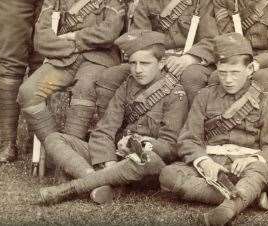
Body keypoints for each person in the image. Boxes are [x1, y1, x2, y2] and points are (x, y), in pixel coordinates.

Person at [37, 30, 188, 206]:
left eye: (145, 63)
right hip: (118, 159)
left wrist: (138, 144)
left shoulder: (175, 94)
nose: (137, 70)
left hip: (147, 166)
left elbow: (170, 147)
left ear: (161, 63)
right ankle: (102, 182)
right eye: (133, 63)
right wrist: (108, 162)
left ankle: (71, 189)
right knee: (54, 138)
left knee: (145, 158)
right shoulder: (126, 87)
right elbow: (104, 130)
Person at [160, 33, 268, 226]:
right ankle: (247, 197)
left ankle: (229, 207)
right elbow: (189, 139)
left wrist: (252, 159)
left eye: (234, 72)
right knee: (168, 174)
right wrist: (205, 162)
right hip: (212, 165)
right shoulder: (205, 96)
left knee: (263, 169)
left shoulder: (265, 100)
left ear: (250, 69)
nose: (228, 79)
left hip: (245, 166)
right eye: (223, 72)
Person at [18, 0, 126, 143]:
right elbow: (42, 39)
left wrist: (74, 39)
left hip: (98, 61)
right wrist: (72, 47)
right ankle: (58, 149)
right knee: (28, 92)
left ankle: (70, 153)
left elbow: (109, 32)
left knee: (85, 89)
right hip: (62, 62)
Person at [94, 0, 217, 113]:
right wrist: (154, 63)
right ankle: (113, 132)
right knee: (109, 78)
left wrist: (189, 58)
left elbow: (211, 40)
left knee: (192, 78)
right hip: (153, 61)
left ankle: (191, 134)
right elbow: (139, 38)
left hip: (188, 62)